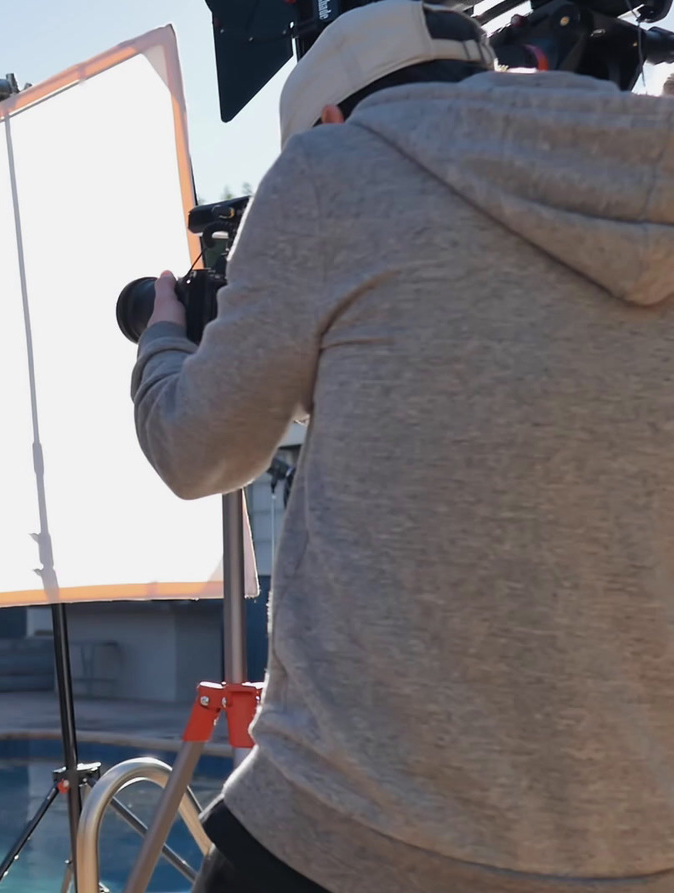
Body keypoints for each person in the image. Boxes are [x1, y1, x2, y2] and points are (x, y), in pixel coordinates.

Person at [130, 3, 674, 891]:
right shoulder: (639, 174)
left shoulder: (326, 171)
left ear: (333, 118)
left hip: (354, 829)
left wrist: (163, 339)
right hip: (639, 847)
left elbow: (201, 450)